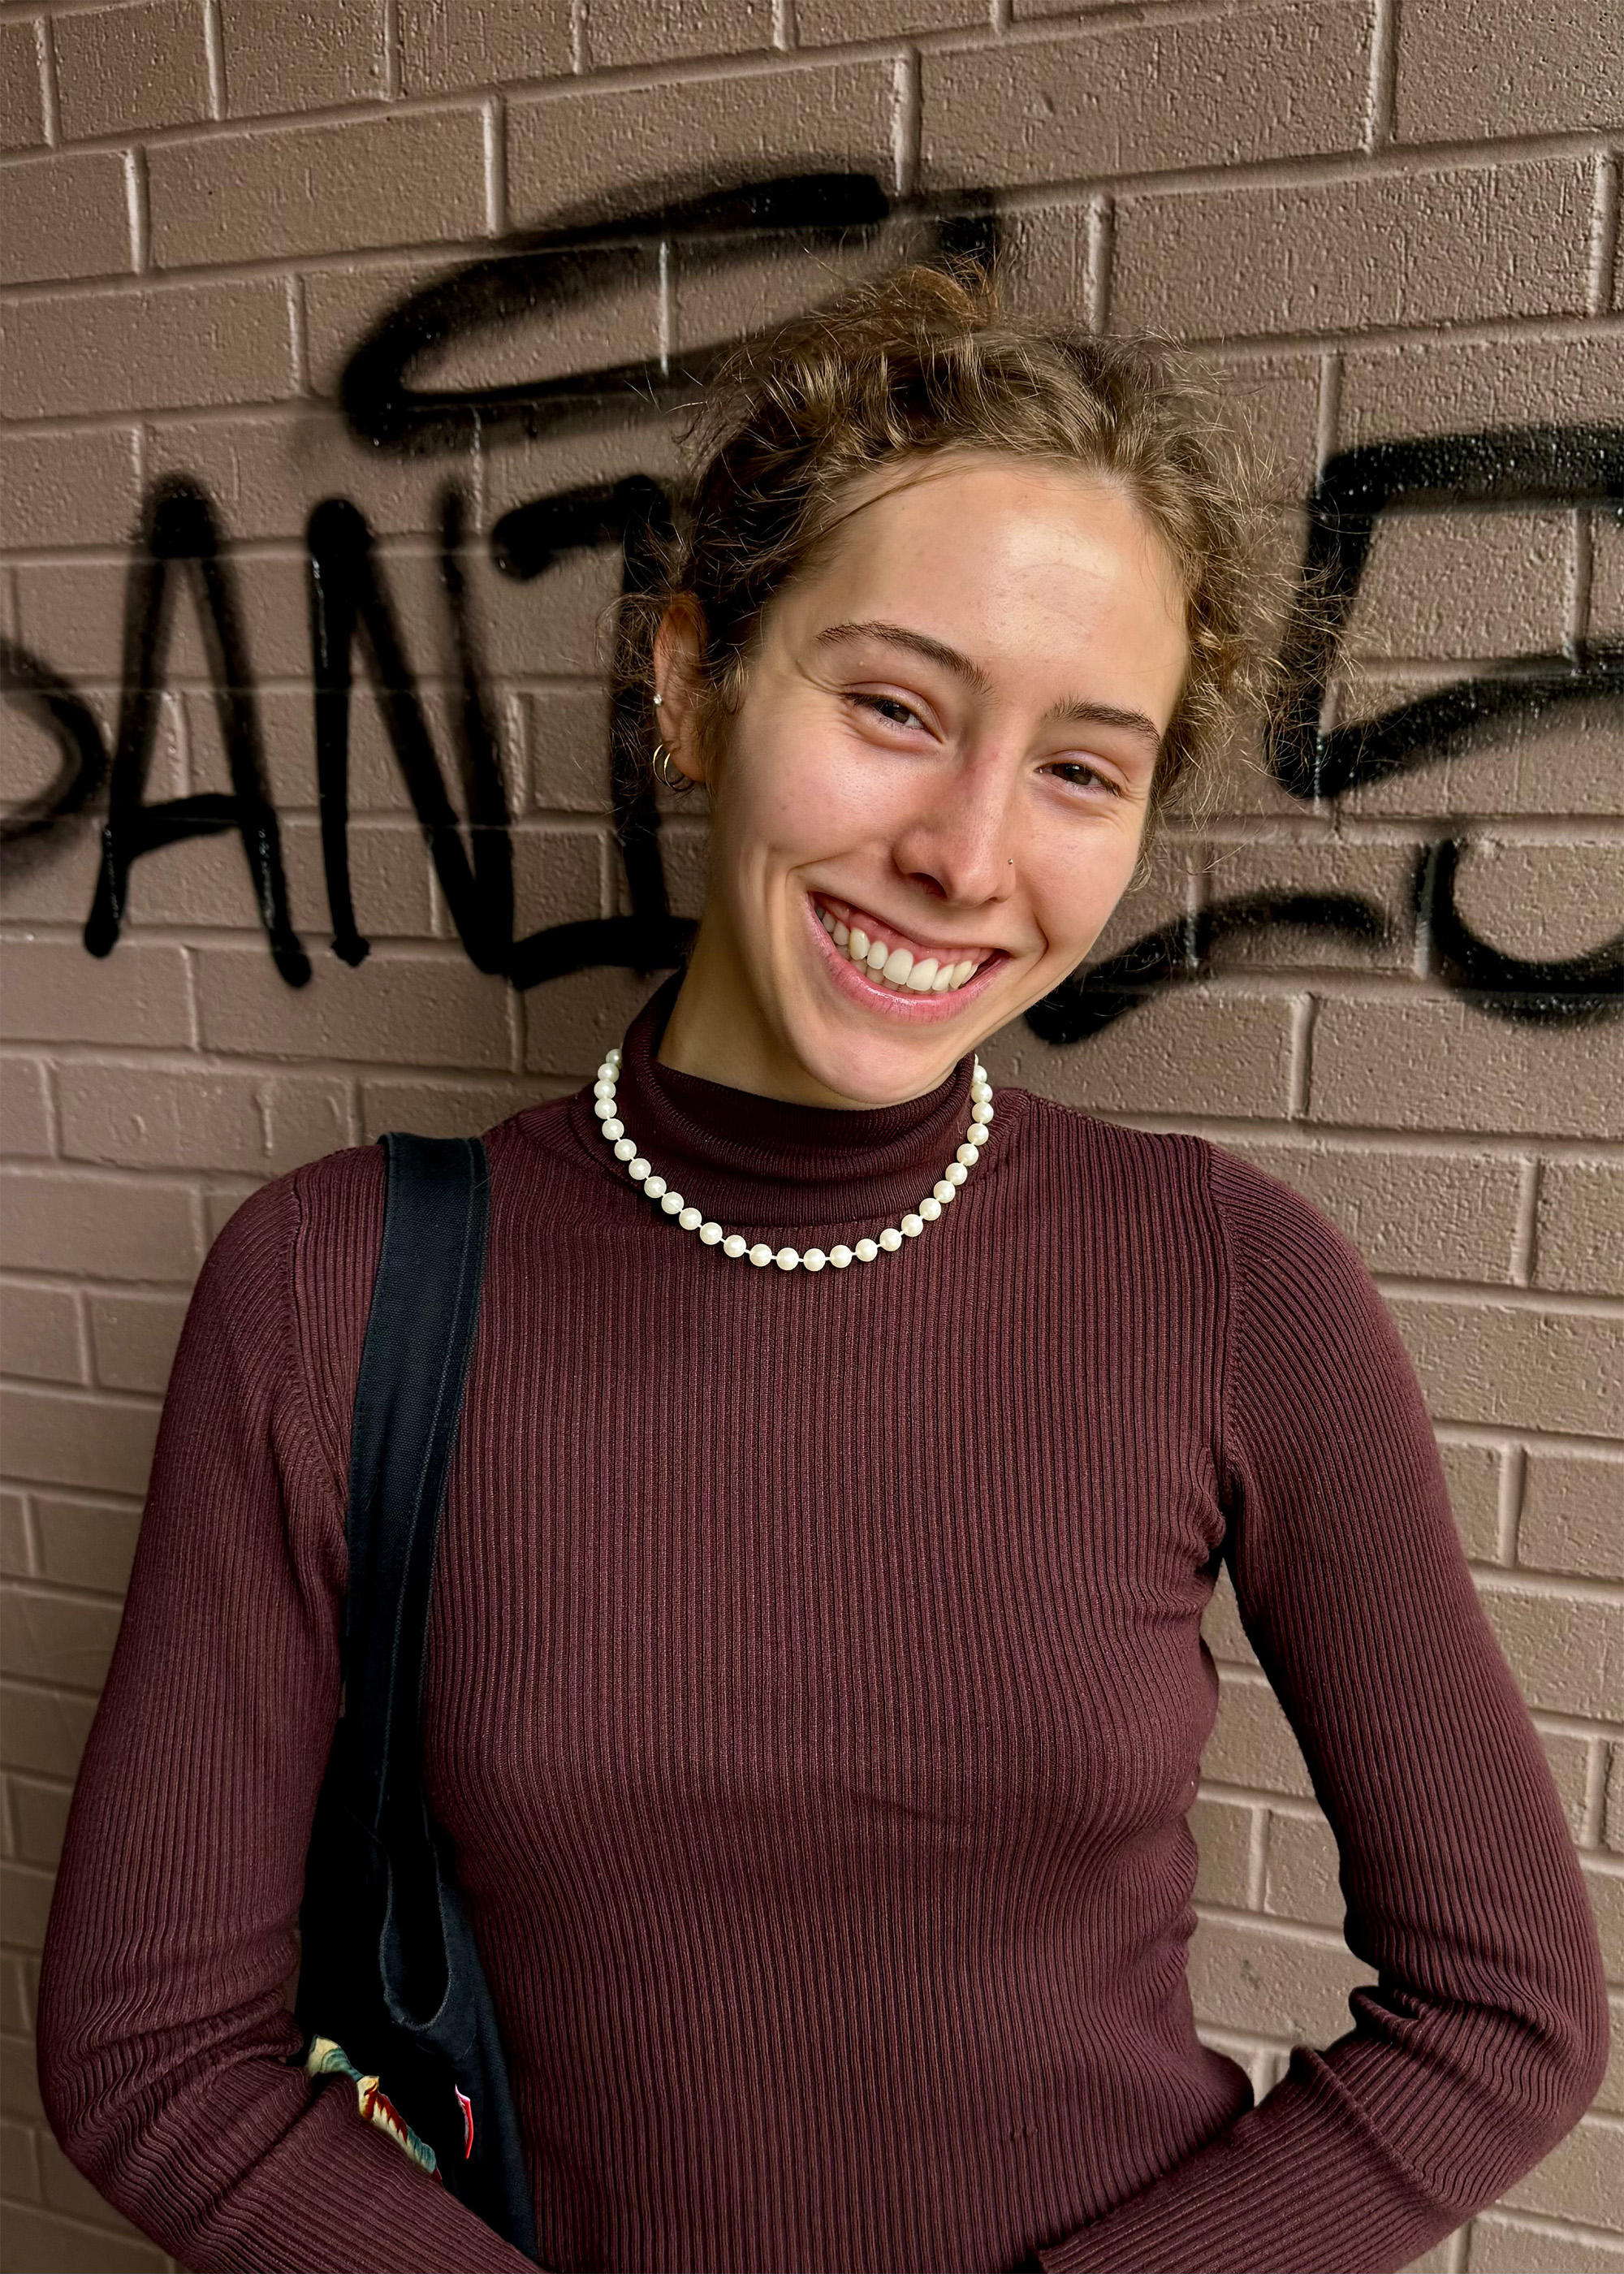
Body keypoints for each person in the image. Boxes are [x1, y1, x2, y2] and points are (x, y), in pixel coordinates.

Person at [36, 263, 1607, 2274]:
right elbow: (152, 2050)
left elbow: (1507, 2011)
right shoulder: (329, 1292)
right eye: (892, 707)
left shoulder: (1228, 1284)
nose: (964, 851)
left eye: (1078, 767)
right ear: (692, 681)